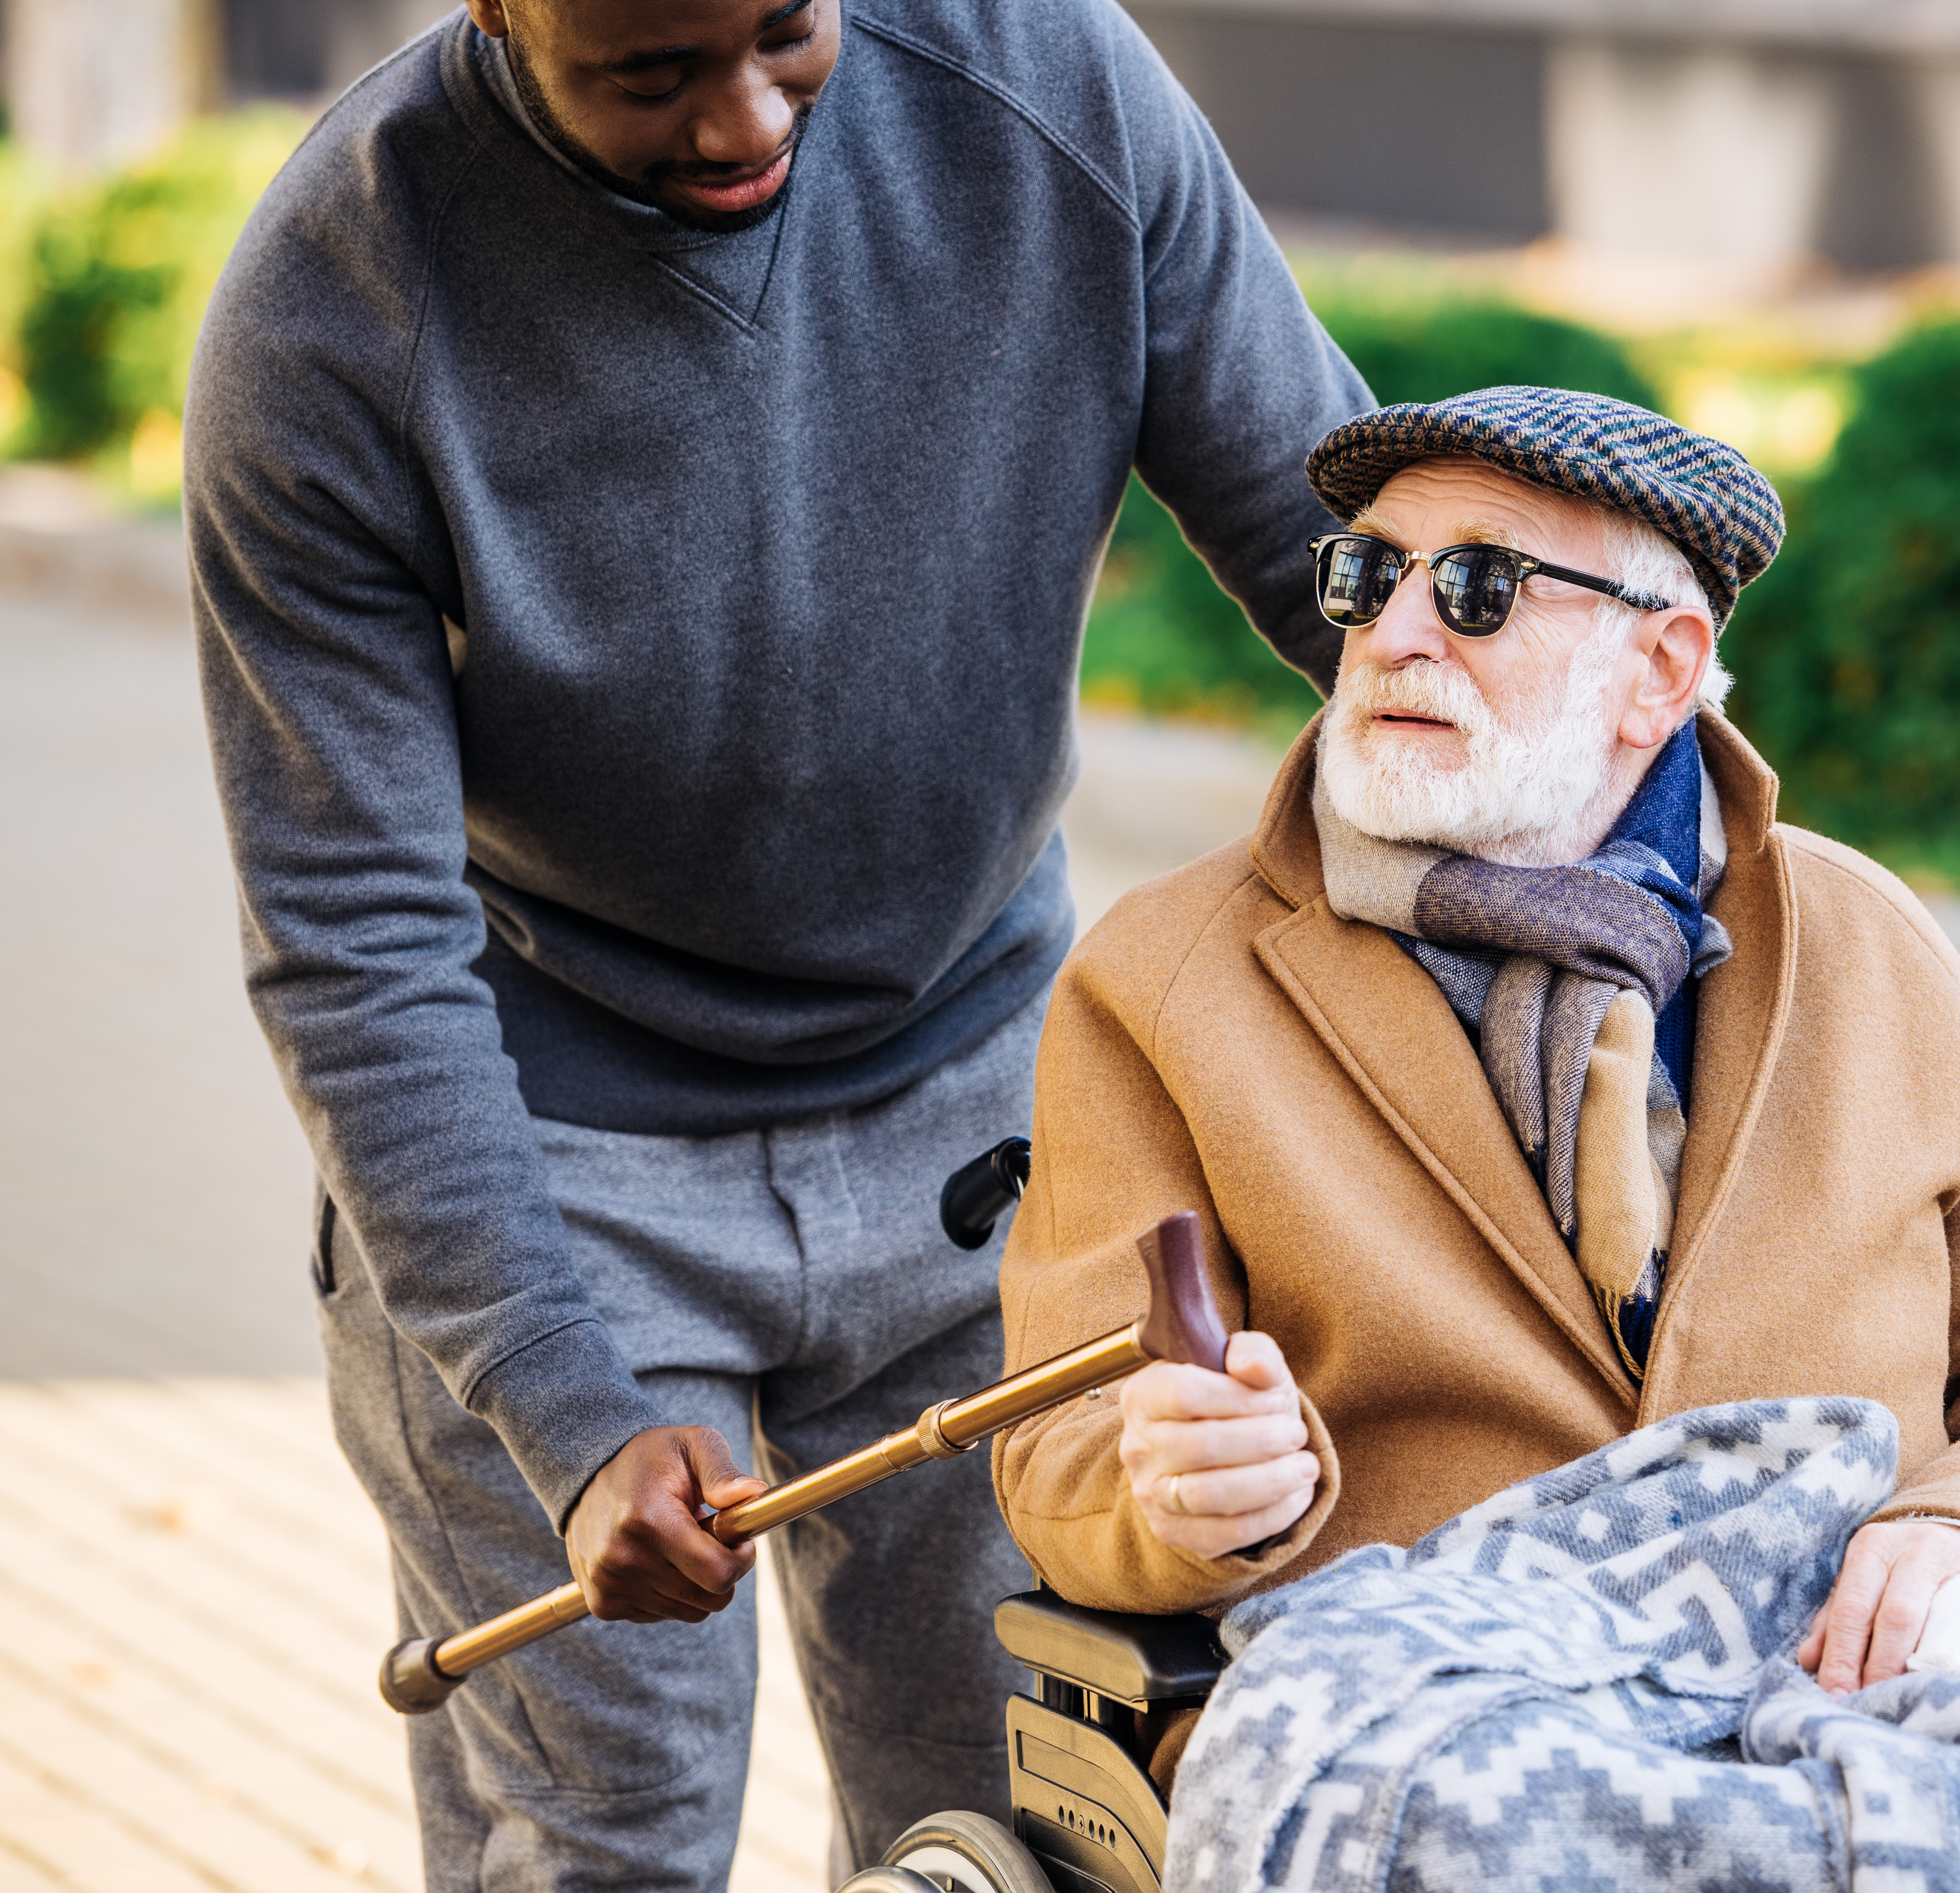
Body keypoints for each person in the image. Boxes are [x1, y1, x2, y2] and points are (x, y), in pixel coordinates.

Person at [183, 0, 1364, 1881]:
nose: (742, 120)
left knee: (1011, 1822)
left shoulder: (1046, 82)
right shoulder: (330, 313)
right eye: (650, 72)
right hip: (559, 1160)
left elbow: (1355, 572)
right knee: (608, 1842)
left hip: (977, 1110)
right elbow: (353, 938)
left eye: (788, 28)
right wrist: (564, 1410)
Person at [993, 388, 1960, 1758]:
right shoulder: (1163, 979)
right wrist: (1174, 1492)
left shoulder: (1872, 950)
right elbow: (1056, 1446)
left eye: (1479, 587)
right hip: (1440, 1735)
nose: (1395, 633)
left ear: (1660, 672)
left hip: (1861, 1719)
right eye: (1372, 575)